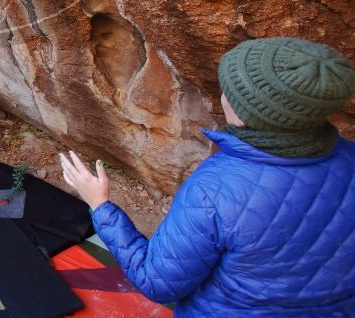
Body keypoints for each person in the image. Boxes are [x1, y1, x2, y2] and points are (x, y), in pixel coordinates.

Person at [61, 37, 355, 316]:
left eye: (230, 91)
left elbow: (156, 282)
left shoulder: (214, 189)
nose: (223, 95)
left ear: (246, 113)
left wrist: (101, 207)